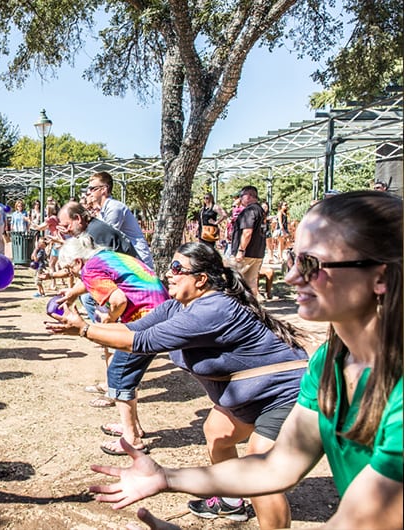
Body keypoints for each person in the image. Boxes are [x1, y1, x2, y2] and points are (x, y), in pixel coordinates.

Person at [88, 192, 402, 530]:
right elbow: (274, 467)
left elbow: (359, 522)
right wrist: (165, 477)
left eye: (311, 264)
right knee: (219, 433)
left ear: (380, 278)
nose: (293, 277)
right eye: (294, 260)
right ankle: (229, 505)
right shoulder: (330, 362)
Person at [50, 240, 310, 529]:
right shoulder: (178, 306)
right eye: (169, 267)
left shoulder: (211, 309)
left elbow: (142, 343)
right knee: (218, 434)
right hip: (252, 396)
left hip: (284, 394)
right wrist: (83, 326)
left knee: (262, 475)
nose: (168, 274)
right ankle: (229, 502)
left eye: (177, 268)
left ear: (200, 279)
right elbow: (133, 328)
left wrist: (86, 330)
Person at [55, 235, 168, 458]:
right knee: (128, 373)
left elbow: (118, 300)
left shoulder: (89, 269)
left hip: (144, 318)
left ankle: (132, 440)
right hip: (162, 310)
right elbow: (93, 280)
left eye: (71, 270)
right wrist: (73, 293)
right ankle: (132, 427)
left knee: (119, 372)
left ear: (78, 261)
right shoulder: (106, 258)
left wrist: (108, 319)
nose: (73, 275)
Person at [86, 171, 154, 268]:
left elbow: (105, 238)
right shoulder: (103, 210)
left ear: (104, 189)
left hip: (138, 261)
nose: (89, 193)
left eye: (92, 189)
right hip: (128, 259)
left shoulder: (114, 208)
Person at [230, 185, 266, 297]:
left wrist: (241, 250)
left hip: (246, 254)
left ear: (249, 196)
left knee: (233, 281)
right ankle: (253, 309)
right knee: (251, 283)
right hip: (258, 252)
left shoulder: (249, 211)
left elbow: (247, 232)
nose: (240, 199)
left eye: (241, 196)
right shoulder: (260, 210)